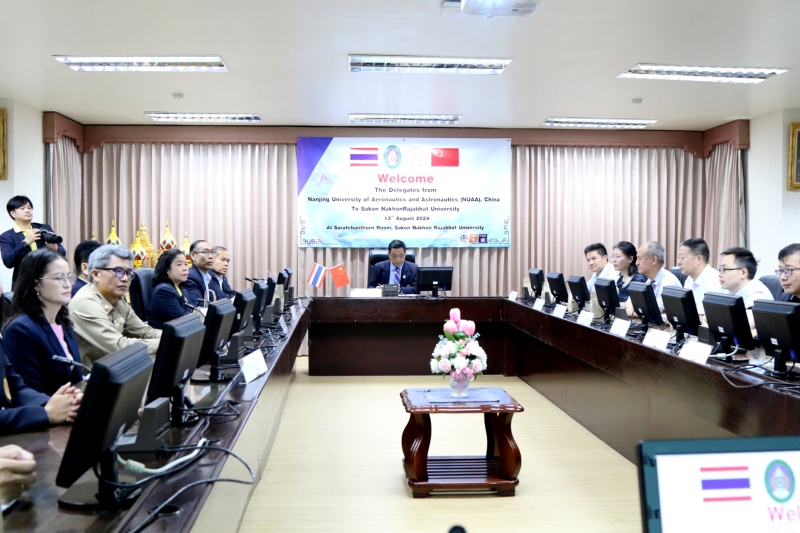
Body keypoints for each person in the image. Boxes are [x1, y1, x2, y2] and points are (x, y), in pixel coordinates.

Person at [3, 250, 83, 395]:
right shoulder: (20, 330)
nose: (67, 284)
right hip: (47, 408)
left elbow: (75, 378)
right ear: (36, 284)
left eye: (69, 277)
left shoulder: (63, 322)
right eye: (59, 278)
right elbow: (28, 392)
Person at [68, 245, 161, 365]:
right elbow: (119, 346)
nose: (125, 279)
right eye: (118, 271)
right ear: (96, 274)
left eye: (128, 273)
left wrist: (173, 335)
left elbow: (144, 332)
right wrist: (167, 342)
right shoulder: (85, 303)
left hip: (116, 367)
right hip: (92, 375)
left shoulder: (116, 299)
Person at [0, 196, 67, 289]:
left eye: (29, 208)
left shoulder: (44, 228)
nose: (27, 211)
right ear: (13, 213)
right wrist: (25, 243)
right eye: (22, 208)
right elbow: (8, 261)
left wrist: (56, 249)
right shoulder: (7, 236)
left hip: (47, 280)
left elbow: (63, 253)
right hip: (23, 284)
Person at [717, 247, 773, 328]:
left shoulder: (757, 294)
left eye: (724, 269)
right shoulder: (728, 290)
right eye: (720, 269)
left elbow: (743, 326)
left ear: (743, 272)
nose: (719, 274)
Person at [626, 240, 682, 315]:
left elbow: (655, 312)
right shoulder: (650, 280)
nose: (637, 263)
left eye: (640, 258)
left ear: (653, 260)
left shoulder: (668, 281)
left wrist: (624, 312)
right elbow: (631, 304)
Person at [147, 249, 192, 330]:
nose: (185, 268)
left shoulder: (181, 289)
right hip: (163, 335)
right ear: (167, 269)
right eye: (179, 264)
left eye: (186, 264)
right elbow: (183, 318)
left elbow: (191, 311)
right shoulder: (163, 291)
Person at [678, 238, 723, 315]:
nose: (678, 262)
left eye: (682, 258)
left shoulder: (713, 280)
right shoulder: (689, 279)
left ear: (699, 259)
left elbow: (702, 316)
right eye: (679, 258)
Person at [183, 240, 215, 307]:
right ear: (193, 255)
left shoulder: (209, 276)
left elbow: (219, 297)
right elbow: (198, 304)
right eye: (205, 252)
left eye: (212, 252)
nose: (211, 256)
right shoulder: (190, 277)